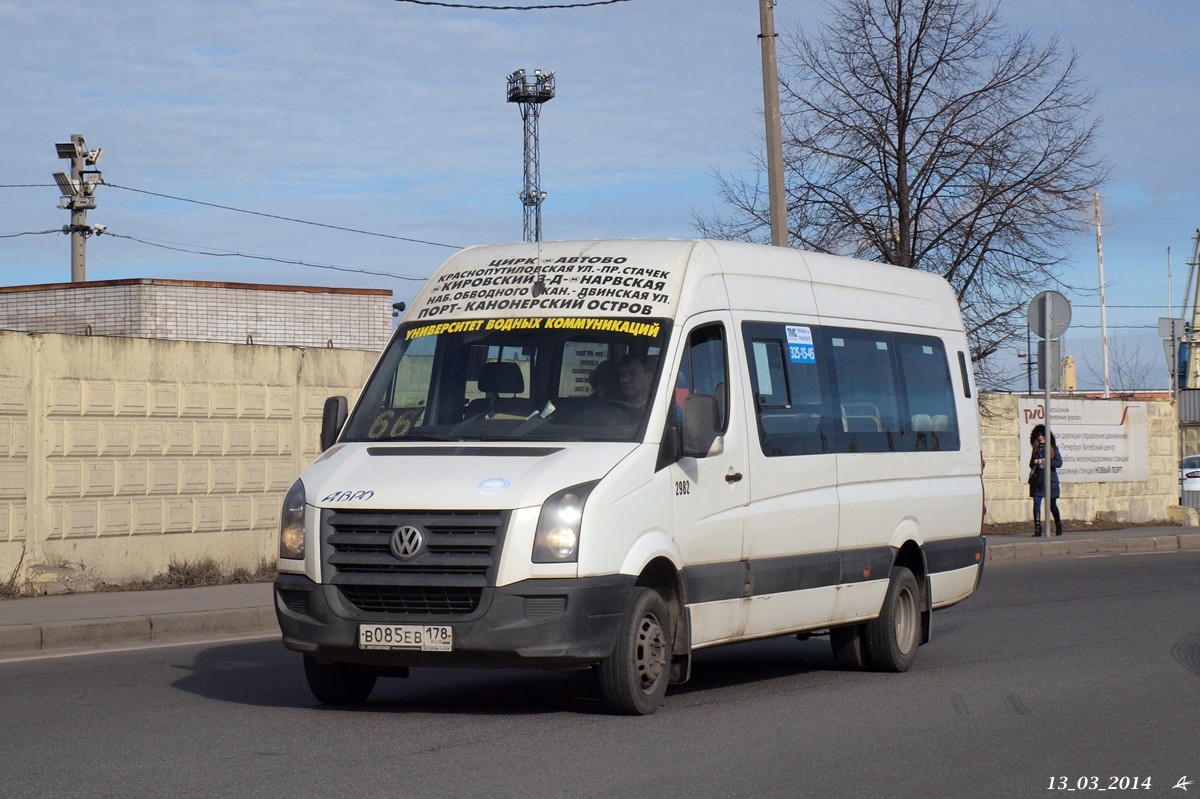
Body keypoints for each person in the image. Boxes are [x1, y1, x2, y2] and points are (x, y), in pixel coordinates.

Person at [1028, 423, 1063, 537]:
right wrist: (1035, 462)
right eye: (1038, 435)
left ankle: (1058, 525)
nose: (1040, 437)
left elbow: (1059, 463)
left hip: (1050, 481)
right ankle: (1037, 529)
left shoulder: (1053, 448)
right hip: (1038, 481)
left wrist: (1045, 461)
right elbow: (1030, 464)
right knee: (1036, 504)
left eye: (1043, 435)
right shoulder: (1035, 448)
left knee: (1052, 505)